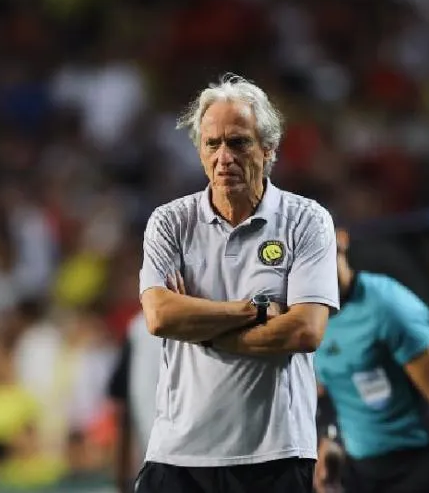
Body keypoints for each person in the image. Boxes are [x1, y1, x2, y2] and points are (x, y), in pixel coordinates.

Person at [135, 74, 339, 493]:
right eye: (212, 144)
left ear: (268, 149)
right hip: (178, 456)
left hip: (276, 455)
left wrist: (201, 328)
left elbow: (304, 330)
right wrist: (253, 310)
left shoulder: (307, 220)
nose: (224, 157)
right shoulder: (170, 222)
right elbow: (160, 317)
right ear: (200, 151)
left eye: (238, 142)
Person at [314, 229, 429, 493]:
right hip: (360, 471)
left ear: (341, 241)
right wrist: (330, 440)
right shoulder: (309, 320)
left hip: (415, 464)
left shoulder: (387, 305)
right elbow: (325, 392)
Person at [107, 313, 163, 493]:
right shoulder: (139, 328)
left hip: (164, 462)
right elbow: (122, 407)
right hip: (157, 463)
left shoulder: (140, 326)